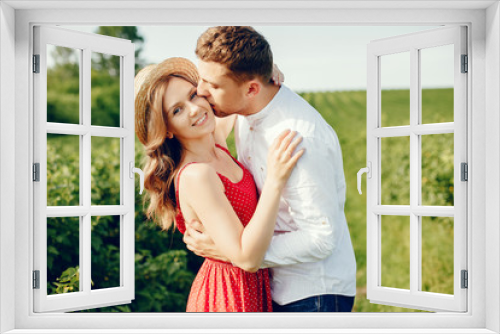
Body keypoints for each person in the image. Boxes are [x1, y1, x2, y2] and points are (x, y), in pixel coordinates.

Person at [183, 26, 357, 312]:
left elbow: (321, 237)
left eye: (212, 86)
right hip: (269, 285)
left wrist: (237, 253)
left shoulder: (301, 138)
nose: (201, 92)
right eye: (202, 80)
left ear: (252, 88)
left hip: (312, 294)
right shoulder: (242, 108)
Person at [134, 57, 304, 312]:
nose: (194, 109)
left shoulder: (216, 145)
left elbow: (234, 93)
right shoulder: (196, 176)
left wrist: (262, 72)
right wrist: (275, 181)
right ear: (166, 128)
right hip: (227, 297)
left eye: (193, 95)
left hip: (252, 287)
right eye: (177, 110)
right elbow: (247, 258)